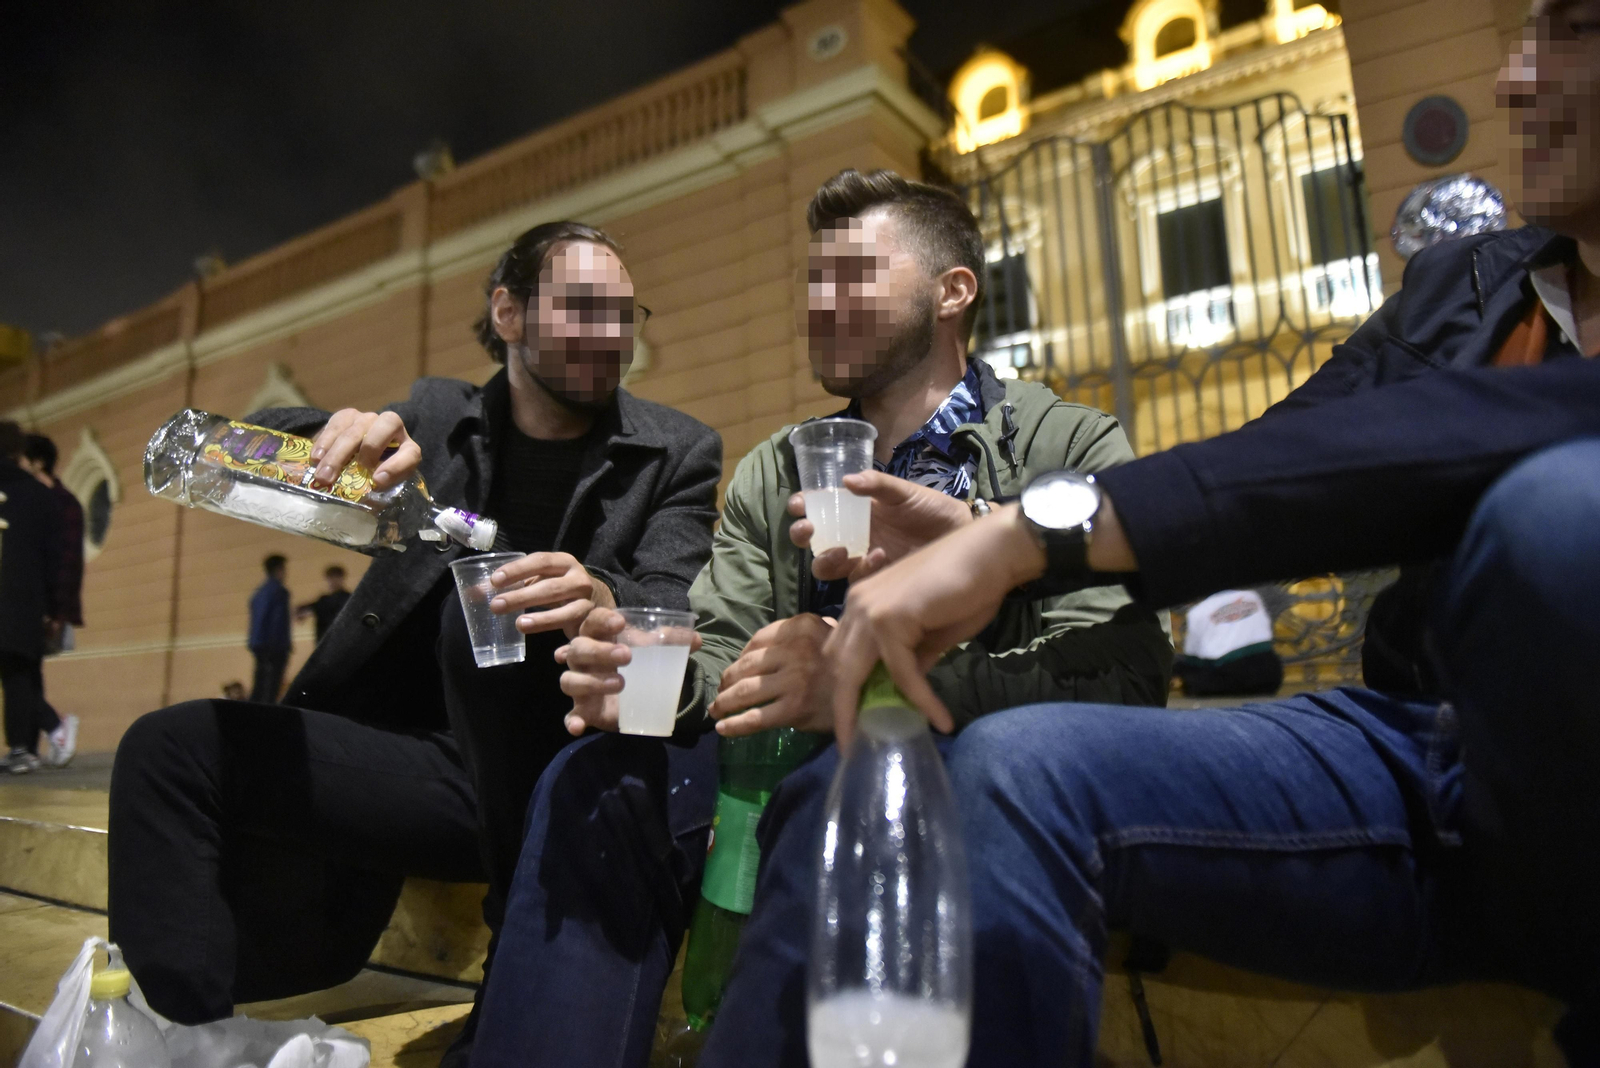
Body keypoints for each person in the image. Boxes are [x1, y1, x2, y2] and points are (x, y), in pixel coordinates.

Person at [696, 7, 1600, 1064]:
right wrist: (1004, 534)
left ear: (953, 295)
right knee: (996, 769)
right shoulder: (1473, 283)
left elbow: (1125, 658)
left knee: (1555, 522)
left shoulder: (1059, 433)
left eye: (1572, 29)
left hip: (1555, 792)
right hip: (1408, 752)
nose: (1513, 80)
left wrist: (1017, 542)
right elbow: (1294, 458)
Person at [466, 170, 1173, 1066]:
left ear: (952, 292)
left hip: (958, 767)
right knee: (597, 777)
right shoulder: (777, 466)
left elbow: (1122, 677)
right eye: (814, 282)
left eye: (853, 277)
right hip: (776, 772)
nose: (821, 303)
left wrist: (861, 674)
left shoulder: (1064, 447)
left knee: (845, 800)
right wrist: (646, 671)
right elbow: (726, 650)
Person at [106, 222, 723, 1068]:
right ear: (508, 313)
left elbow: (670, 603)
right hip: (426, 778)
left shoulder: (675, 451)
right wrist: (331, 437)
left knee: (483, 625)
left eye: (625, 314)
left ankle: (522, 968)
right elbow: (255, 447)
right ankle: (190, 1035)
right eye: (583, 308)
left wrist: (602, 597)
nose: (610, 334)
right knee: (166, 750)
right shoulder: (437, 418)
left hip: (557, 774)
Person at [0, 421, 64, 775]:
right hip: (21, 601)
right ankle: (22, 748)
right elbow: (54, 557)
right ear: (17, 452)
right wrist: (55, 609)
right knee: (19, 671)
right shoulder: (40, 495)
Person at [18, 433, 83, 765]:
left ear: (37, 461)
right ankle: (28, 746)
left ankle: (55, 727)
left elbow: (65, 562)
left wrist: (57, 610)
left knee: (16, 669)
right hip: (40, 601)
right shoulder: (54, 500)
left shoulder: (54, 502)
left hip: (40, 603)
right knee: (27, 670)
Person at [247, 555, 291, 703]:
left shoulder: (258, 593)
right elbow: (277, 622)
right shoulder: (279, 592)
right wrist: (281, 646)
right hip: (274, 648)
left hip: (259, 645)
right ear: (278, 570)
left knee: (259, 687)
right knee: (271, 690)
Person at [295, 564, 352, 644]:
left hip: (340, 641)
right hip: (325, 642)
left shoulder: (348, 598)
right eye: (330, 578)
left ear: (341, 579)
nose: (333, 581)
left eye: (336, 577)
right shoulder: (324, 600)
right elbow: (309, 608)